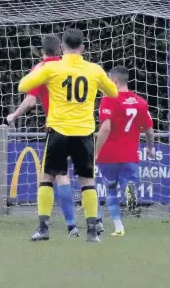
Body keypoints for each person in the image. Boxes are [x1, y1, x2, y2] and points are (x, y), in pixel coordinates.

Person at [17, 28, 118, 243]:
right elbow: (113, 93)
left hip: (59, 131)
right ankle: (92, 232)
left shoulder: (52, 67)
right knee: (87, 182)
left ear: (62, 46)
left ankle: (43, 228)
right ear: (82, 47)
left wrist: (41, 71)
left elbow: (23, 85)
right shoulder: (94, 70)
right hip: (83, 132)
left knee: (47, 179)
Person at [7, 35, 79, 237]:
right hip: (80, 127)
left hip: (57, 128)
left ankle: (48, 227)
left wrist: (14, 115)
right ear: (60, 49)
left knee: (48, 176)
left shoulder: (43, 68)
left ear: (42, 51)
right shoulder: (73, 66)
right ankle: (80, 224)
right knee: (72, 177)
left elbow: (30, 101)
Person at [94, 65, 155, 237]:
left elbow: (105, 129)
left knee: (110, 190)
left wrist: (97, 152)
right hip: (130, 155)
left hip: (109, 155)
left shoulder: (108, 99)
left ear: (114, 81)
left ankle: (118, 226)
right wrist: (150, 148)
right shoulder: (141, 102)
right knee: (127, 183)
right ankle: (129, 189)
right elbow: (149, 131)